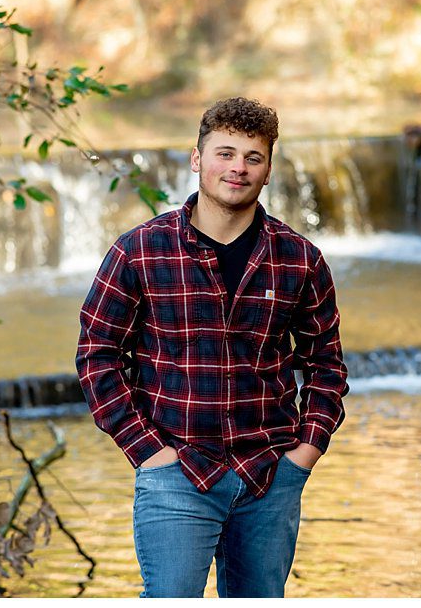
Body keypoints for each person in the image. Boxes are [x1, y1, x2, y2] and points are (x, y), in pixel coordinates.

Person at [76, 97, 348, 599]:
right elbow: (97, 356)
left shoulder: (299, 260)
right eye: (225, 153)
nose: (237, 169)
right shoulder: (140, 250)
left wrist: (305, 454)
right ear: (197, 159)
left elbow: (325, 364)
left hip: (270, 473)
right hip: (176, 469)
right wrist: (148, 452)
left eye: (253, 157)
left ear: (268, 170)